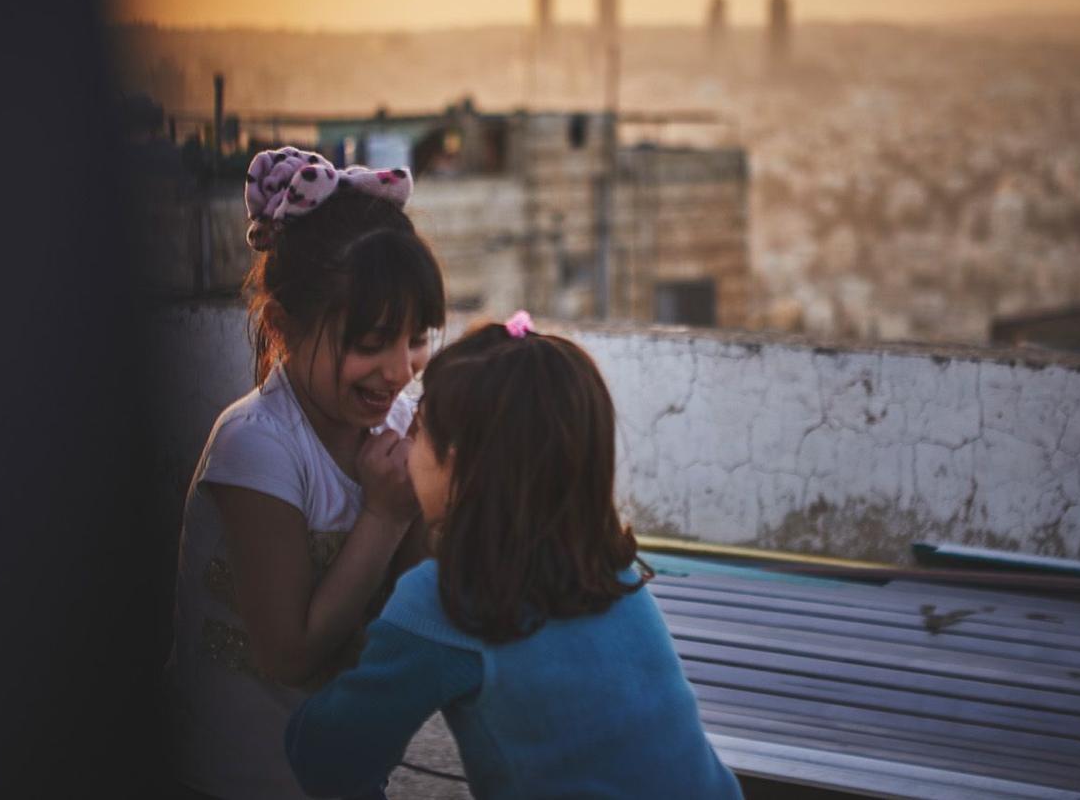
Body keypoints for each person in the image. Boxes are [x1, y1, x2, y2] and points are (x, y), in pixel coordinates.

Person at [284, 313, 743, 799]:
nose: (406, 442)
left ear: (455, 464)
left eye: (419, 427)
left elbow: (322, 754)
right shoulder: (609, 568)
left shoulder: (448, 597)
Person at [165, 146, 445, 799]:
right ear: (285, 326)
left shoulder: (398, 421)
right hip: (235, 777)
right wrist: (386, 512)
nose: (400, 370)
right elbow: (288, 654)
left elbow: (409, 604)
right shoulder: (257, 447)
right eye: (370, 342)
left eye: (416, 338)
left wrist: (437, 493)